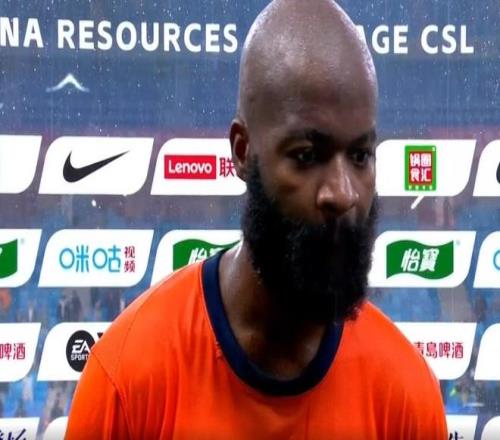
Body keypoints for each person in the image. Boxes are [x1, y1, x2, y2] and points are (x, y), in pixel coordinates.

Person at [66, 0, 447, 438]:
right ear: (243, 151)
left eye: (360, 156)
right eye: (307, 155)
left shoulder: (405, 395)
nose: (343, 193)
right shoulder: (128, 379)